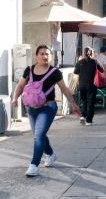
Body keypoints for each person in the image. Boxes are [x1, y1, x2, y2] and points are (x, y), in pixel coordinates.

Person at [11, 45, 80, 177]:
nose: (45, 56)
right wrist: (15, 98)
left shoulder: (55, 72)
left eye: (47, 54)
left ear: (51, 56)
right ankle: (50, 154)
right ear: (36, 56)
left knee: (38, 135)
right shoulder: (29, 70)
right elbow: (20, 85)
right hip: (31, 108)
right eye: (42, 54)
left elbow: (64, 89)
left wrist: (73, 104)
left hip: (48, 107)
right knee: (39, 135)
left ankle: (34, 165)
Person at [74, 47, 104, 126]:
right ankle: (89, 120)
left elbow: (76, 72)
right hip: (91, 85)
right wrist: (96, 61)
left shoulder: (80, 62)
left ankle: (83, 116)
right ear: (91, 53)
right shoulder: (94, 62)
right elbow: (101, 70)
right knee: (90, 103)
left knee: (84, 101)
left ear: (84, 53)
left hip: (81, 85)